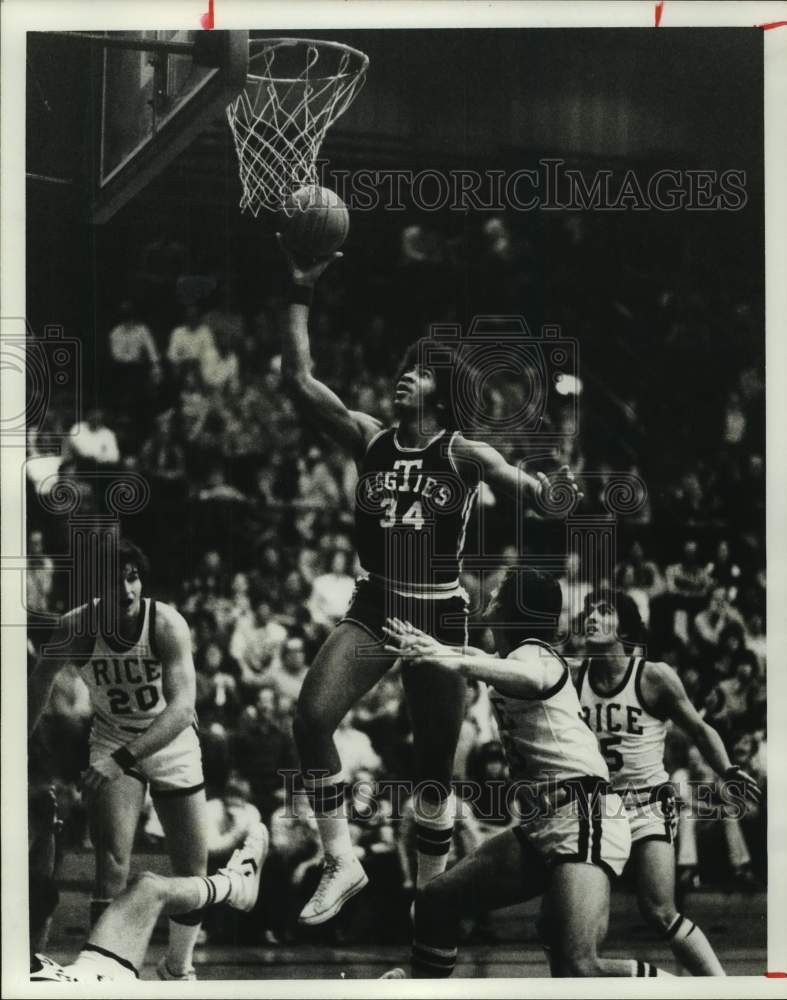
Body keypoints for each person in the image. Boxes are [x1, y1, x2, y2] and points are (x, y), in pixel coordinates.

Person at [278, 242, 582, 926]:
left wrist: (550, 489)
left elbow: (520, 484)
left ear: (438, 388)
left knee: (433, 771)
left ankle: (432, 908)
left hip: (441, 618)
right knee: (309, 718)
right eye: (399, 372)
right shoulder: (368, 437)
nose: (400, 380)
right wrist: (300, 289)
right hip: (379, 604)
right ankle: (340, 859)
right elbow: (298, 382)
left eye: (413, 374)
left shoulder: (460, 451)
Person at [380, 568, 671, 979]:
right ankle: (425, 987)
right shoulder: (507, 659)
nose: (490, 601)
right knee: (435, 900)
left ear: (514, 610)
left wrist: (440, 654)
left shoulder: (538, 656)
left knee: (578, 967)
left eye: (497, 595)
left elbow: (530, 677)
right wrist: (427, 641)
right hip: (542, 822)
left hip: (584, 814)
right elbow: (474, 660)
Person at [28, 538, 209, 981]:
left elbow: (182, 709)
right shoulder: (75, 626)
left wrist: (121, 758)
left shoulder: (165, 622)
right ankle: (99, 976)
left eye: (133, 577)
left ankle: (178, 966)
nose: (127, 589)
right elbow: (39, 685)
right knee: (111, 864)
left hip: (170, 739)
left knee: (192, 869)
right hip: (112, 738)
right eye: (115, 580)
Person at [575, 588, 761, 975]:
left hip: (646, 805)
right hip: (597, 810)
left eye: (603, 610)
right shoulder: (574, 678)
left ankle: (720, 987)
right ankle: (649, 983)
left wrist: (727, 769)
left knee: (660, 912)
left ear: (624, 625)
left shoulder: (653, 675)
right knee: (580, 934)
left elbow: (698, 727)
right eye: (587, 611)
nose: (591, 616)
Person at [31, 823, 267, 982]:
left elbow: (39, 889)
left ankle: (237, 884)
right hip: (79, 987)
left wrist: (46, 831)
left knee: (147, 886)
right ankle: (235, 883)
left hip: (61, 973)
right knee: (148, 887)